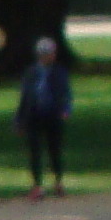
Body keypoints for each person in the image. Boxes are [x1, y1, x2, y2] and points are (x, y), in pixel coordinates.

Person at [19, 37, 74, 196]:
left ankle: (58, 181)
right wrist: (20, 120)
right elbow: (25, 97)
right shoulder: (31, 73)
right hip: (34, 116)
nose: (49, 56)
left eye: (50, 53)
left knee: (54, 150)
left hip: (53, 115)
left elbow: (66, 94)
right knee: (35, 152)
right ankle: (37, 185)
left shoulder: (59, 72)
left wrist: (65, 110)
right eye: (45, 53)